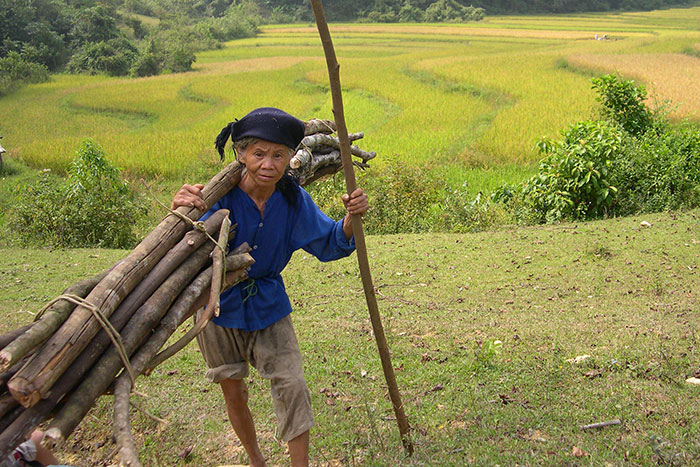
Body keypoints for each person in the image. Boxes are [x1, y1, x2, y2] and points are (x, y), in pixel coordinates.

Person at [171, 107, 369, 466]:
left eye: (279, 155)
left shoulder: (293, 201)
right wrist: (180, 210)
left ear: (290, 158)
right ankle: (256, 459)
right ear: (240, 155)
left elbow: (329, 241)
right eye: (258, 153)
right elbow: (180, 245)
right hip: (216, 307)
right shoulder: (217, 197)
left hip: (269, 306)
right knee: (234, 392)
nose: (268, 164)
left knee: (292, 386)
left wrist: (350, 220)